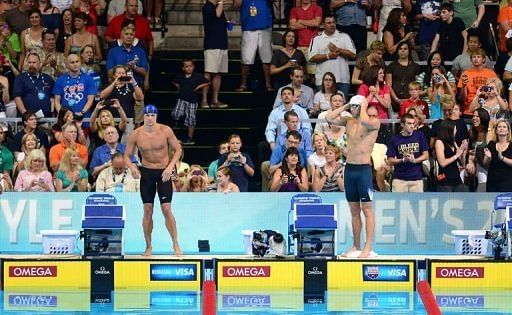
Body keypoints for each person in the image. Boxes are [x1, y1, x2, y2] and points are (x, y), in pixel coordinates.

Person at [124, 104, 182, 256]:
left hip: (164, 172)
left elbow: (178, 150)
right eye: (147, 115)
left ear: (156, 116)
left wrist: (170, 167)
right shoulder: (136, 134)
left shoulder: (165, 130)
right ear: (143, 116)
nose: (150, 118)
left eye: (153, 115)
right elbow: (126, 156)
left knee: (166, 209)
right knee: (147, 210)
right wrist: (132, 167)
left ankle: (176, 244)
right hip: (147, 173)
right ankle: (148, 245)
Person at [326, 97, 380, 258]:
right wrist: (347, 105)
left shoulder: (374, 122)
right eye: (354, 107)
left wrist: (362, 105)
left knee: (367, 210)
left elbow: (364, 121)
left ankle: (367, 247)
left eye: (357, 107)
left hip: (364, 171)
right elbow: (329, 117)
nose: (354, 109)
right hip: (350, 170)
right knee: (354, 210)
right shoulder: (348, 121)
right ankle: (356, 245)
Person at [308, 15, 356, 97]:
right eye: (329, 23)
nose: (332, 25)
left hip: (342, 80)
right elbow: (311, 58)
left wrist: (338, 50)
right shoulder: (316, 39)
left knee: (342, 107)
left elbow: (353, 55)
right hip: (323, 81)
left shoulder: (345, 36)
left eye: (333, 22)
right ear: (323, 24)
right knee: (323, 107)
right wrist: (328, 56)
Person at [233, 0, 273, 92]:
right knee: (246, 58)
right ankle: (243, 84)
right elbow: (236, 4)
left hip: (265, 26)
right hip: (249, 27)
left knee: (267, 58)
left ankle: (268, 83)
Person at [386, 113, 429, 192]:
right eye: (409, 123)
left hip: (416, 179)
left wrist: (415, 160)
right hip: (399, 180)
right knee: (398, 204)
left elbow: (426, 155)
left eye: (413, 123)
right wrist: (403, 160)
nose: (412, 126)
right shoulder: (395, 139)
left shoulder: (419, 135)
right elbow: (390, 160)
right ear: (402, 124)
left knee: (417, 204)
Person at [172, 59, 210, 145]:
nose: (189, 68)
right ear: (183, 68)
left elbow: (207, 82)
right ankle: (177, 122)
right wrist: (178, 86)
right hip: (181, 99)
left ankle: (190, 138)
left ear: (193, 67)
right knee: (176, 113)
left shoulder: (197, 76)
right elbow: (174, 81)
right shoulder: (180, 76)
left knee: (191, 119)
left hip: (192, 101)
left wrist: (198, 86)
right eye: (186, 66)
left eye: (191, 66)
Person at [201, 0, 228, 109]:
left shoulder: (217, 6)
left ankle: (215, 100)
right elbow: (217, 14)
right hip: (212, 44)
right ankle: (204, 100)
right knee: (208, 72)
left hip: (222, 43)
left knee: (218, 73)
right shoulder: (208, 6)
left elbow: (219, 20)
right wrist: (221, 2)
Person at [458, 48, 497, 117]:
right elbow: (462, 98)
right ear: (471, 59)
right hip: (469, 111)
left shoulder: (491, 74)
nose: (476, 59)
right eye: (474, 57)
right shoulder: (465, 74)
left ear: (484, 59)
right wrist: (464, 86)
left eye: (478, 57)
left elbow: (497, 93)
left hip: (488, 110)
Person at [13, 52, 54, 117]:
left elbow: (53, 98)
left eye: (34, 62)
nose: (31, 65)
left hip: (46, 119)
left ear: (40, 63)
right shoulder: (21, 78)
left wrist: (52, 113)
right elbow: (17, 98)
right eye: (29, 62)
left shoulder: (48, 78)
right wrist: (26, 115)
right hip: (27, 121)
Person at [434, 119, 468, 192]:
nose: (456, 131)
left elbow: (462, 164)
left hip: (456, 179)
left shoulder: (453, 142)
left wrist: (463, 152)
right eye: (455, 129)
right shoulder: (439, 142)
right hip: (445, 180)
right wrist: (456, 155)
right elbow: (442, 163)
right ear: (449, 129)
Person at [385, 42, 420, 110]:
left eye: (405, 49)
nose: (403, 50)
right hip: (394, 101)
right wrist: (396, 99)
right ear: (397, 51)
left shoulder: (415, 66)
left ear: (409, 51)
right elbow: (388, 85)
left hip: (411, 101)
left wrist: (411, 98)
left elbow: (417, 84)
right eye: (400, 49)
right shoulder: (391, 66)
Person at [484, 119, 512, 192]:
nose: (501, 128)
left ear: (508, 131)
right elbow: (485, 163)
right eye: (499, 127)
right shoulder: (491, 144)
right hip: (492, 181)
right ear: (496, 131)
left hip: (507, 182)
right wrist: (488, 158)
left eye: (504, 127)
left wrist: (502, 158)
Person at [466, 107, 490, 191]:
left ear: (483, 118)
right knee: (482, 188)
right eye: (473, 116)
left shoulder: (489, 131)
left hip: (491, 165)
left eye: (477, 116)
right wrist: (470, 161)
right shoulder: (472, 131)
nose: (474, 118)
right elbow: (471, 150)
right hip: (480, 165)